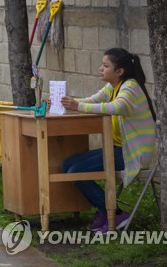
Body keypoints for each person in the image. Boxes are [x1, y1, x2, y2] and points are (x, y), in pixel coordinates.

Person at [58, 47, 156, 234]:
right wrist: (66, 103)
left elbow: (116, 107)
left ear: (120, 71)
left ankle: (115, 213)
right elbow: (93, 100)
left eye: (105, 66)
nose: (101, 69)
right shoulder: (113, 86)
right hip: (117, 149)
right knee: (66, 165)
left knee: (76, 172)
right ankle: (106, 211)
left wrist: (78, 106)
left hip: (131, 154)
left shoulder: (131, 87)